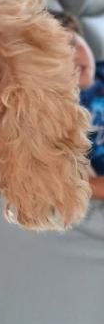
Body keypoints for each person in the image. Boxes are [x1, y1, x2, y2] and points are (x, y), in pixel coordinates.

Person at [52, 10, 104, 199]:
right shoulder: (60, 111)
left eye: (73, 44)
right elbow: (85, 183)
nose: (72, 58)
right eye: (57, 57)